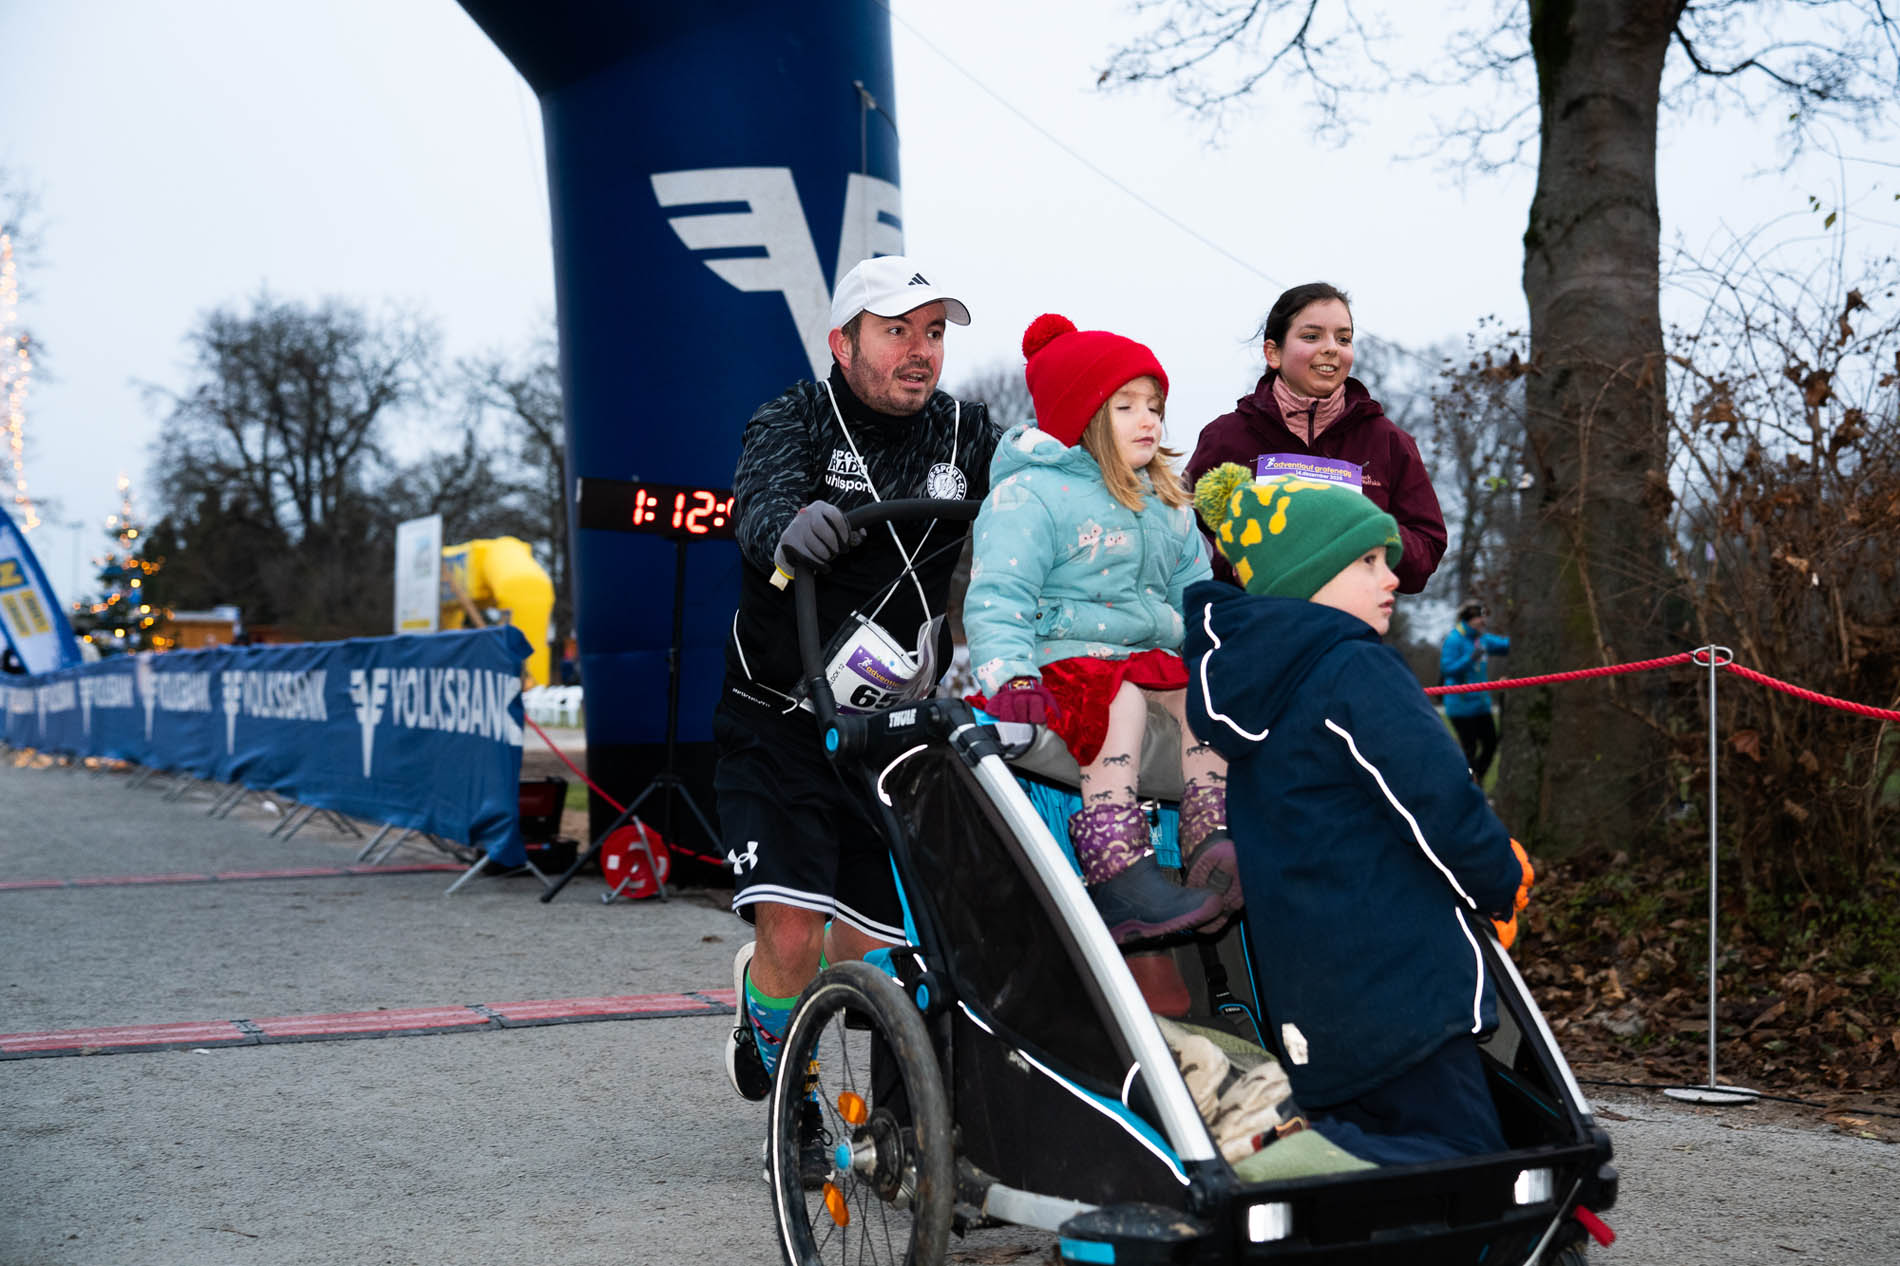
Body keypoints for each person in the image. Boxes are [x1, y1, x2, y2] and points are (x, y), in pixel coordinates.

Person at [716, 256, 1000, 1150]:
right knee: (793, 937)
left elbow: (1045, 496)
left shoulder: (968, 433)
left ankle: (898, 1129)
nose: (921, 351)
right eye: (897, 331)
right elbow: (760, 502)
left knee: (878, 951)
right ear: (843, 343)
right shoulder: (795, 417)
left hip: (891, 732)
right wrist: (785, 526)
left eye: (935, 332)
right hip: (780, 715)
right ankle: (790, 1088)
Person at [1183, 464, 1534, 1166]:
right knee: (1467, 1162)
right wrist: (1497, 880)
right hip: (1403, 988)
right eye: (1368, 560)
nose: (1392, 577)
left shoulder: (1258, 690)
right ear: (1308, 575)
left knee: (1382, 1164)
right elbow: (1433, 796)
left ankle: (1307, 1160)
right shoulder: (1353, 667)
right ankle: (1283, 1159)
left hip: (1312, 1000)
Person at [963, 314, 1231, 944]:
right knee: (1121, 698)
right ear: (1082, 415)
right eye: (1127, 406)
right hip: (1063, 660)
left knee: (1209, 697)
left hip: (1144, 656)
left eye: (1155, 407)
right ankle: (1118, 870)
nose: (1149, 421)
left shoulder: (1166, 503)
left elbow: (1196, 600)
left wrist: (1223, 654)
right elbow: (999, 595)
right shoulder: (1032, 495)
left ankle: (1211, 834)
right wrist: (1010, 678)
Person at [1185, 282, 1447, 594]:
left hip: (1350, 620)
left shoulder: (1388, 442)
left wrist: (1365, 530)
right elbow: (1184, 538)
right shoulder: (1225, 437)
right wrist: (1239, 565)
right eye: (1312, 336)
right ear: (1273, 352)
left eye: (1343, 338)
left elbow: (1427, 552)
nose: (1332, 348)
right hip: (1248, 618)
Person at [1440, 600, 1512, 782]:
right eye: (1479, 617)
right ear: (1468, 620)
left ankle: (1476, 780)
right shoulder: (1454, 639)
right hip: (1460, 707)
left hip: (1481, 705)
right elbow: (1447, 669)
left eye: (1483, 616)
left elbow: (1506, 645)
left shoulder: (1483, 640)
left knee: (1491, 744)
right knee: (1469, 750)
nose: (1483, 621)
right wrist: (1470, 658)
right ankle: (1467, 785)